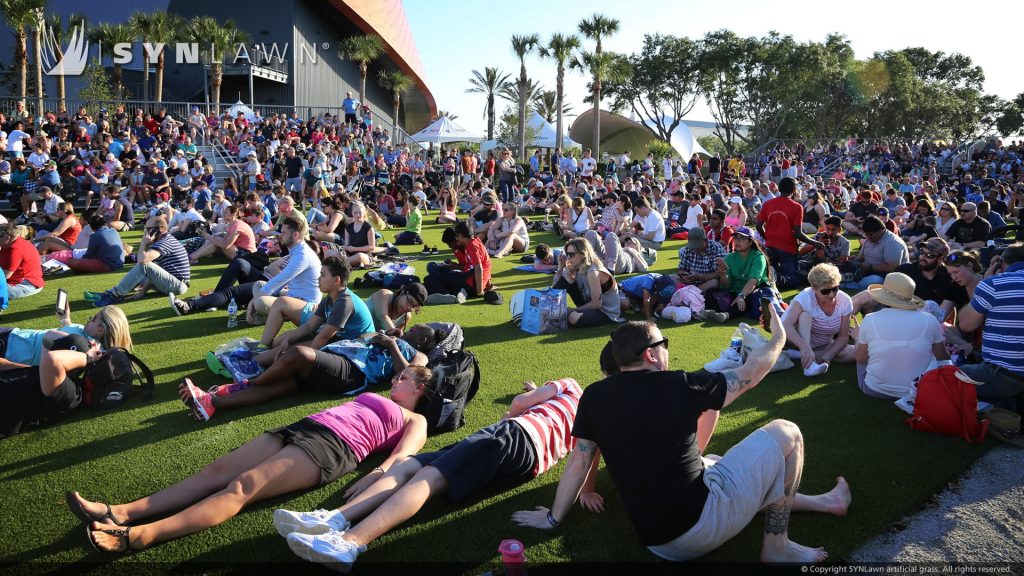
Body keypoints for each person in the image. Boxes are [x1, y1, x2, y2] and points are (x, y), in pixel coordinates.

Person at [513, 312, 849, 564]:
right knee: (786, 432)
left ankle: (824, 502)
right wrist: (777, 336)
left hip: (657, 542)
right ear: (650, 354)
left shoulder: (595, 396)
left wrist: (553, 517)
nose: (666, 350)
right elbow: (750, 375)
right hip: (700, 527)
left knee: (714, 462)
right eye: (663, 343)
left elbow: (580, 460)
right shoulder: (680, 385)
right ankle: (777, 544)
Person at [77, 367, 431, 552]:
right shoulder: (383, 396)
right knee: (213, 471)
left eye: (404, 378)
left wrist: (375, 476)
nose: (395, 379)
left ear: (419, 390)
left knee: (240, 487)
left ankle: (141, 535)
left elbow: (404, 456)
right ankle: (121, 511)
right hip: (307, 426)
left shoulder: (416, 419)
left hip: (334, 447)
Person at [281, 376, 582, 571]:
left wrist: (514, 412)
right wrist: (583, 496)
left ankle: (349, 542)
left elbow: (520, 403)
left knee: (428, 476)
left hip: (514, 434)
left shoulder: (571, 385)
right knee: (408, 464)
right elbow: (585, 457)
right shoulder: (589, 412)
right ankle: (333, 518)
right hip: (527, 462)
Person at [179, 325, 437, 422]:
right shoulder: (390, 335)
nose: (410, 332)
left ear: (424, 341)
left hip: (352, 373)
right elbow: (359, 338)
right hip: (335, 360)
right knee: (276, 388)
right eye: (411, 328)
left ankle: (247, 382)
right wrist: (383, 336)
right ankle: (212, 404)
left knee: (299, 354)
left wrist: (393, 345)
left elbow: (409, 373)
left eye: (418, 333)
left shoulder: (418, 354)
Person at [855, 273, 948, 400]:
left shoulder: (870, 319)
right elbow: (942, 358)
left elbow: (860, 359)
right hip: (919, 389)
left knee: (862, 359)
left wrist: (856, 338)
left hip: (875, 389)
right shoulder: (930, 320)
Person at [956, 243, 1024, 412]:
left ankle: (1008, 405)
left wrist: (985, 283)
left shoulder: (994, 284)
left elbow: (965, 324)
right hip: (1013, 372)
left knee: (949, 377)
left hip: (1006, 375)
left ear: (1001, 263)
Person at [88, 216, 190, 306]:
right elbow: (154, 271)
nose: (146, 233)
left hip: (178, 285)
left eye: (149, 229)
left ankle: (114, 294)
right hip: (172, 282)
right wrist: (143, 291)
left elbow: (142, 261)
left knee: (144, 263)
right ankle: (113, 293)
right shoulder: (164, 240)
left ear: (160, 229)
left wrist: (143, 243)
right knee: (143, 268)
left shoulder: (165, 241)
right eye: (146, 229)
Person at [781, 263, 854, 377]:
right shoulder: (805, 296)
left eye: (835, 288)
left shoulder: (845, 300)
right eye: (825, 291)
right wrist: (804, 347)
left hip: (823, 344)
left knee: (853, 353)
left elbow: (843, 337)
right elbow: (786, 325)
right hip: (796, 340)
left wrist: (829, 355)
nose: (832, 294)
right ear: (814, 289)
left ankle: (799, 355)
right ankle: (807, 362)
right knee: (805, 316)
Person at [0, 304, 131, 368]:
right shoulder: (86, 335)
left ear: (101, 329)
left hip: (10, 348)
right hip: (14, 335)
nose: (89, 319)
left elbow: (67, 342)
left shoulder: (88, 348)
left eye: (93, 318)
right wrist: (65, 320)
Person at [756, 177, 824, 289]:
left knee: (772, 273)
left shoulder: (768, 204)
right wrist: (814, 243)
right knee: (793, 281)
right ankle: (776, 278)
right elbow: (798, 233)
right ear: (794, 191)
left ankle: (773, 277)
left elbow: (759, 226)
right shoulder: (797, 207)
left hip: (770, 246)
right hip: (788, 249)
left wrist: (767, 238)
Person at [552, 238, 620, 328]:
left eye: (572, 254)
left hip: (605, 312)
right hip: (589, 304)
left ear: (583, 254)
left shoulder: (593, 271)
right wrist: (560, 267)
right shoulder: (577, 266)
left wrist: (573, 310)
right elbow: (556, 286)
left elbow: (597, 304)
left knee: (573, 317)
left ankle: (558, 314)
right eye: (567, 254)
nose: (568, 258)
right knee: (567, 278)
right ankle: (549, 308)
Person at [423, 222, 491, 304]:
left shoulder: (472, 245)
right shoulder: (475, 242)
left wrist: (479, 292)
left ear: (460, 236)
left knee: (429, 279)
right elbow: (485, 265)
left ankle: (448, 294)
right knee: (431, 272)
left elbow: (478, 267)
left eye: (457, 237)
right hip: (469, 279)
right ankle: (454, 293)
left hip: (468, 281)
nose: (457, 239)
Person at [840, 215, 909, 292]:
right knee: (845, 266)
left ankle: (845, 283)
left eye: (870, 234)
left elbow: (892, 267)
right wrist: (854, 259)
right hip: (866, 270)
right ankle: (845, 278)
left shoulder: (892, 242)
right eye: (866, 234)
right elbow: (861, 257)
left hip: (887, 276)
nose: (868, 237)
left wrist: (870, 267)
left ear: (881, 230)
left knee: (874, 281)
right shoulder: (870, 239)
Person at [716, 227, 771, 319]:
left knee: (749, 299)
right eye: (736, 238)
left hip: (753, 290)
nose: (737, 241)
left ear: (750, 242)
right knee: (713, 293)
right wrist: (723, 274)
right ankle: (715, 312)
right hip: (736, 291)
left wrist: (741, 296)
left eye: (742, 238)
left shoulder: (758, 257)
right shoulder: (730, 258)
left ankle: (726, 315)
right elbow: (727, 285)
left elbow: (753, 281)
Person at [188, 205, 256, 263]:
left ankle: (192, 257)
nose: (223, 214)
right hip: (240, 251)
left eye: (226, 212)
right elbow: (224, 240)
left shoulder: (238, 226)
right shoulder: (232, 224)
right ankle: (193, 256)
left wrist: (209, 237)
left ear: (233, 215)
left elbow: (226, 245)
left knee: (215, 240)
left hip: (246, 255)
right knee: (215, 240)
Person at [676, 227, 728, 294]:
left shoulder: (716, 249)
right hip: (691, 282)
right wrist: (685, 275)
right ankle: (689, 294)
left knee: (714, 283)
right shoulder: (688, 249)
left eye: (697, 245)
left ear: (705, 240)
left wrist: (699, 277)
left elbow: (719, 274)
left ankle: (690, 294)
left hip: (706, 282)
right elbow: (681, 269)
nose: (695, 249)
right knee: (673, 278)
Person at [0, 223, 44, 299]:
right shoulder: (9, 244)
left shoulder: (15, 249)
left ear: (7, 238)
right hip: (22, 281)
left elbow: (6, 275)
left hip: (26, 285)